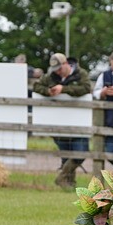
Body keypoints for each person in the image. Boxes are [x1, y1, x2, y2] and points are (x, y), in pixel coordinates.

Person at [32, 52, 92, 189]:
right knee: (66, 155)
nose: (58, 72)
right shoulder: (50, 76)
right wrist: (48, 91)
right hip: (59, 121)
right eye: (55, 70)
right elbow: (36, 86)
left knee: (81, 152)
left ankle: (61, 178)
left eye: (59, 68)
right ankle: (69, 184)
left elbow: (86, 88)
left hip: (79, 121)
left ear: (66, 64)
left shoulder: (80, 73)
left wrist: (64, 89)